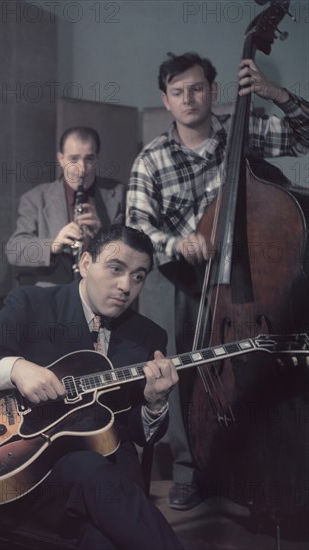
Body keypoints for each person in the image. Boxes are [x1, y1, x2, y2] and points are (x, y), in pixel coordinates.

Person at [126, 52, 309, 510]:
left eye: (197, 88)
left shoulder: (242, 131)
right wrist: (175, 244)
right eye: (178, 91)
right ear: (165, 101)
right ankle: (189, 470)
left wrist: (276, 94)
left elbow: (306, 137)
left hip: (242, 274)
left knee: (258, 360)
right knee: (176, 368)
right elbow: (135, 227)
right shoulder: (151, 160)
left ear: (212, 90)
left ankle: (253, 462)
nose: (188, 98)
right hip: (179, 277)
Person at [0, 225, 184, 550]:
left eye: (138, 276)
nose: (126, 286)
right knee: (87, 469)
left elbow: (140, 434)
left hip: (113, 468)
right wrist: (16, 368)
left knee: (103, 538)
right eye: (116, 269)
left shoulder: (148, 336)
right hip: (37, 469)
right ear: (86, 264)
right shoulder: (32, 303)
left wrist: (155, 405)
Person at [6, 126, 126, 286]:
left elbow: (131, 253)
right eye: (74, 159)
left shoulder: (118, 194)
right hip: (52, 296)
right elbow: (14, 250)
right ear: (61, 159)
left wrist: (102, 233)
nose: (81, 169)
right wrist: (54, 245)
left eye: (89, 159)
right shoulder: (35, 198)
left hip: (100, 293)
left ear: (98, 158)